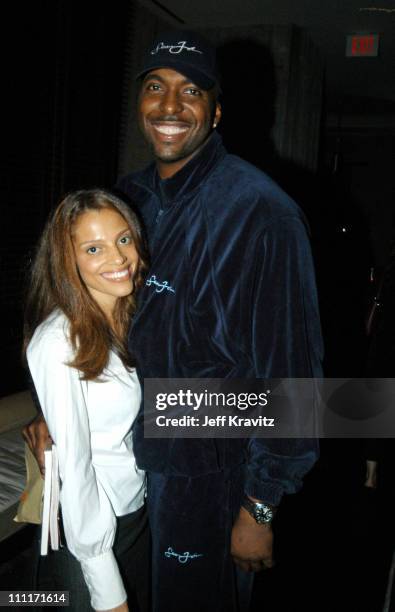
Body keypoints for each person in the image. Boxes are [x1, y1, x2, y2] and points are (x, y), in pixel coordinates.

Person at [25, 31, 323, 611]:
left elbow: (293, 377)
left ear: (216, 110)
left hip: (207, 478)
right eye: (155, 87)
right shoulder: (127, 200)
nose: (168, 106)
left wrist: (260, 504)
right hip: (130, 476)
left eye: (191, 91)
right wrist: (55, 406)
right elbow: (90, 312)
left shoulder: (260, 212)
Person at [24, 190, 150, 612]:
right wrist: (107, 589)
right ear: (68, 261)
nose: (117, 258)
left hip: (134, 509)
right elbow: (75, 467)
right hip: (90, 531)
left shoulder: (132, 318)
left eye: (123, 239)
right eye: (93, 248)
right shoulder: (58, 341)